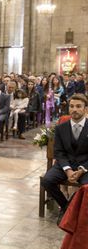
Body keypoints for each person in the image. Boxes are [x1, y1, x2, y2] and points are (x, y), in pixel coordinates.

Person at [42, 94, 88, 223]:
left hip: (85, 166)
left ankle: (76, 210)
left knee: (86, 187)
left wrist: (81, 170)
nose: (74, 109)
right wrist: (68, 170)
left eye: (79, 106)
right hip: (65, 164)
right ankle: (66, 207)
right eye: (72, 106)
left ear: (85, 109)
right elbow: (59, 152)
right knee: (47, 180)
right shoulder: (61, 128)